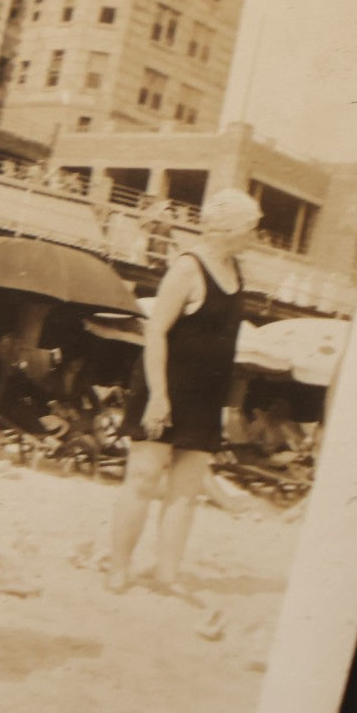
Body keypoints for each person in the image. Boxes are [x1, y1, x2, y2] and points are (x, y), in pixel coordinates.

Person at [108, 188, 262, 594]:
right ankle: (118, 567)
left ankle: (167, 575)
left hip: (205, 396)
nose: (254, 236)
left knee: (186, 492)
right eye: (251, 228)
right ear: (230, 228)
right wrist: (159, 396)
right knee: (142, 479)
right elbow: (155, 331)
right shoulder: (188, 268)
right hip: (166, 386)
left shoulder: (237, 271)